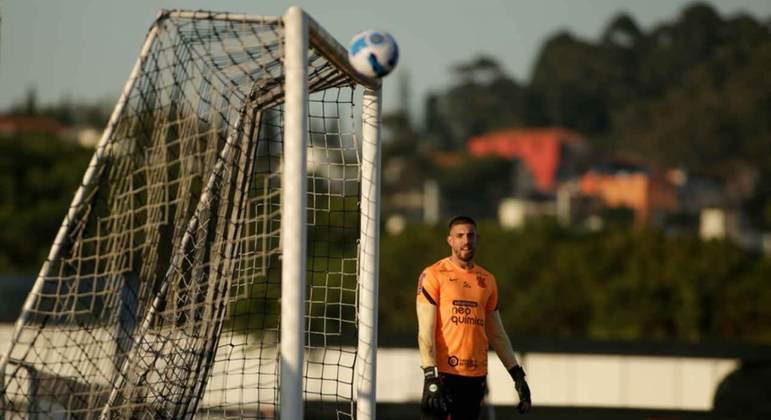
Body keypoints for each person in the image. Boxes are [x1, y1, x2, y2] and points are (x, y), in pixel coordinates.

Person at [416, 216, 531, 419]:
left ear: (477, 238)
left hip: (476, 377)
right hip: (446, 375)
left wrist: (517, 375)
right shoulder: (433, 275)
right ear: (450, 240)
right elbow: (425, 332)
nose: (466, 240)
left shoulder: (487, 280)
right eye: (460, 236)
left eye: (470, 235)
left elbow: (497, 334)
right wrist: (429, 375)